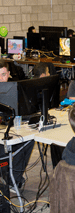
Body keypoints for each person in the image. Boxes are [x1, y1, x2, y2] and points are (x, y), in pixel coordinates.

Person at [0, 59, 35, 190]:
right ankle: (9, 178)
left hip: (10, 130)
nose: (1, 79)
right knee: (4, 147)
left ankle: (14, 178)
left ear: (9, 74)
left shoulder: (15, 91)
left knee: (28, 140)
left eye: (3, 74)